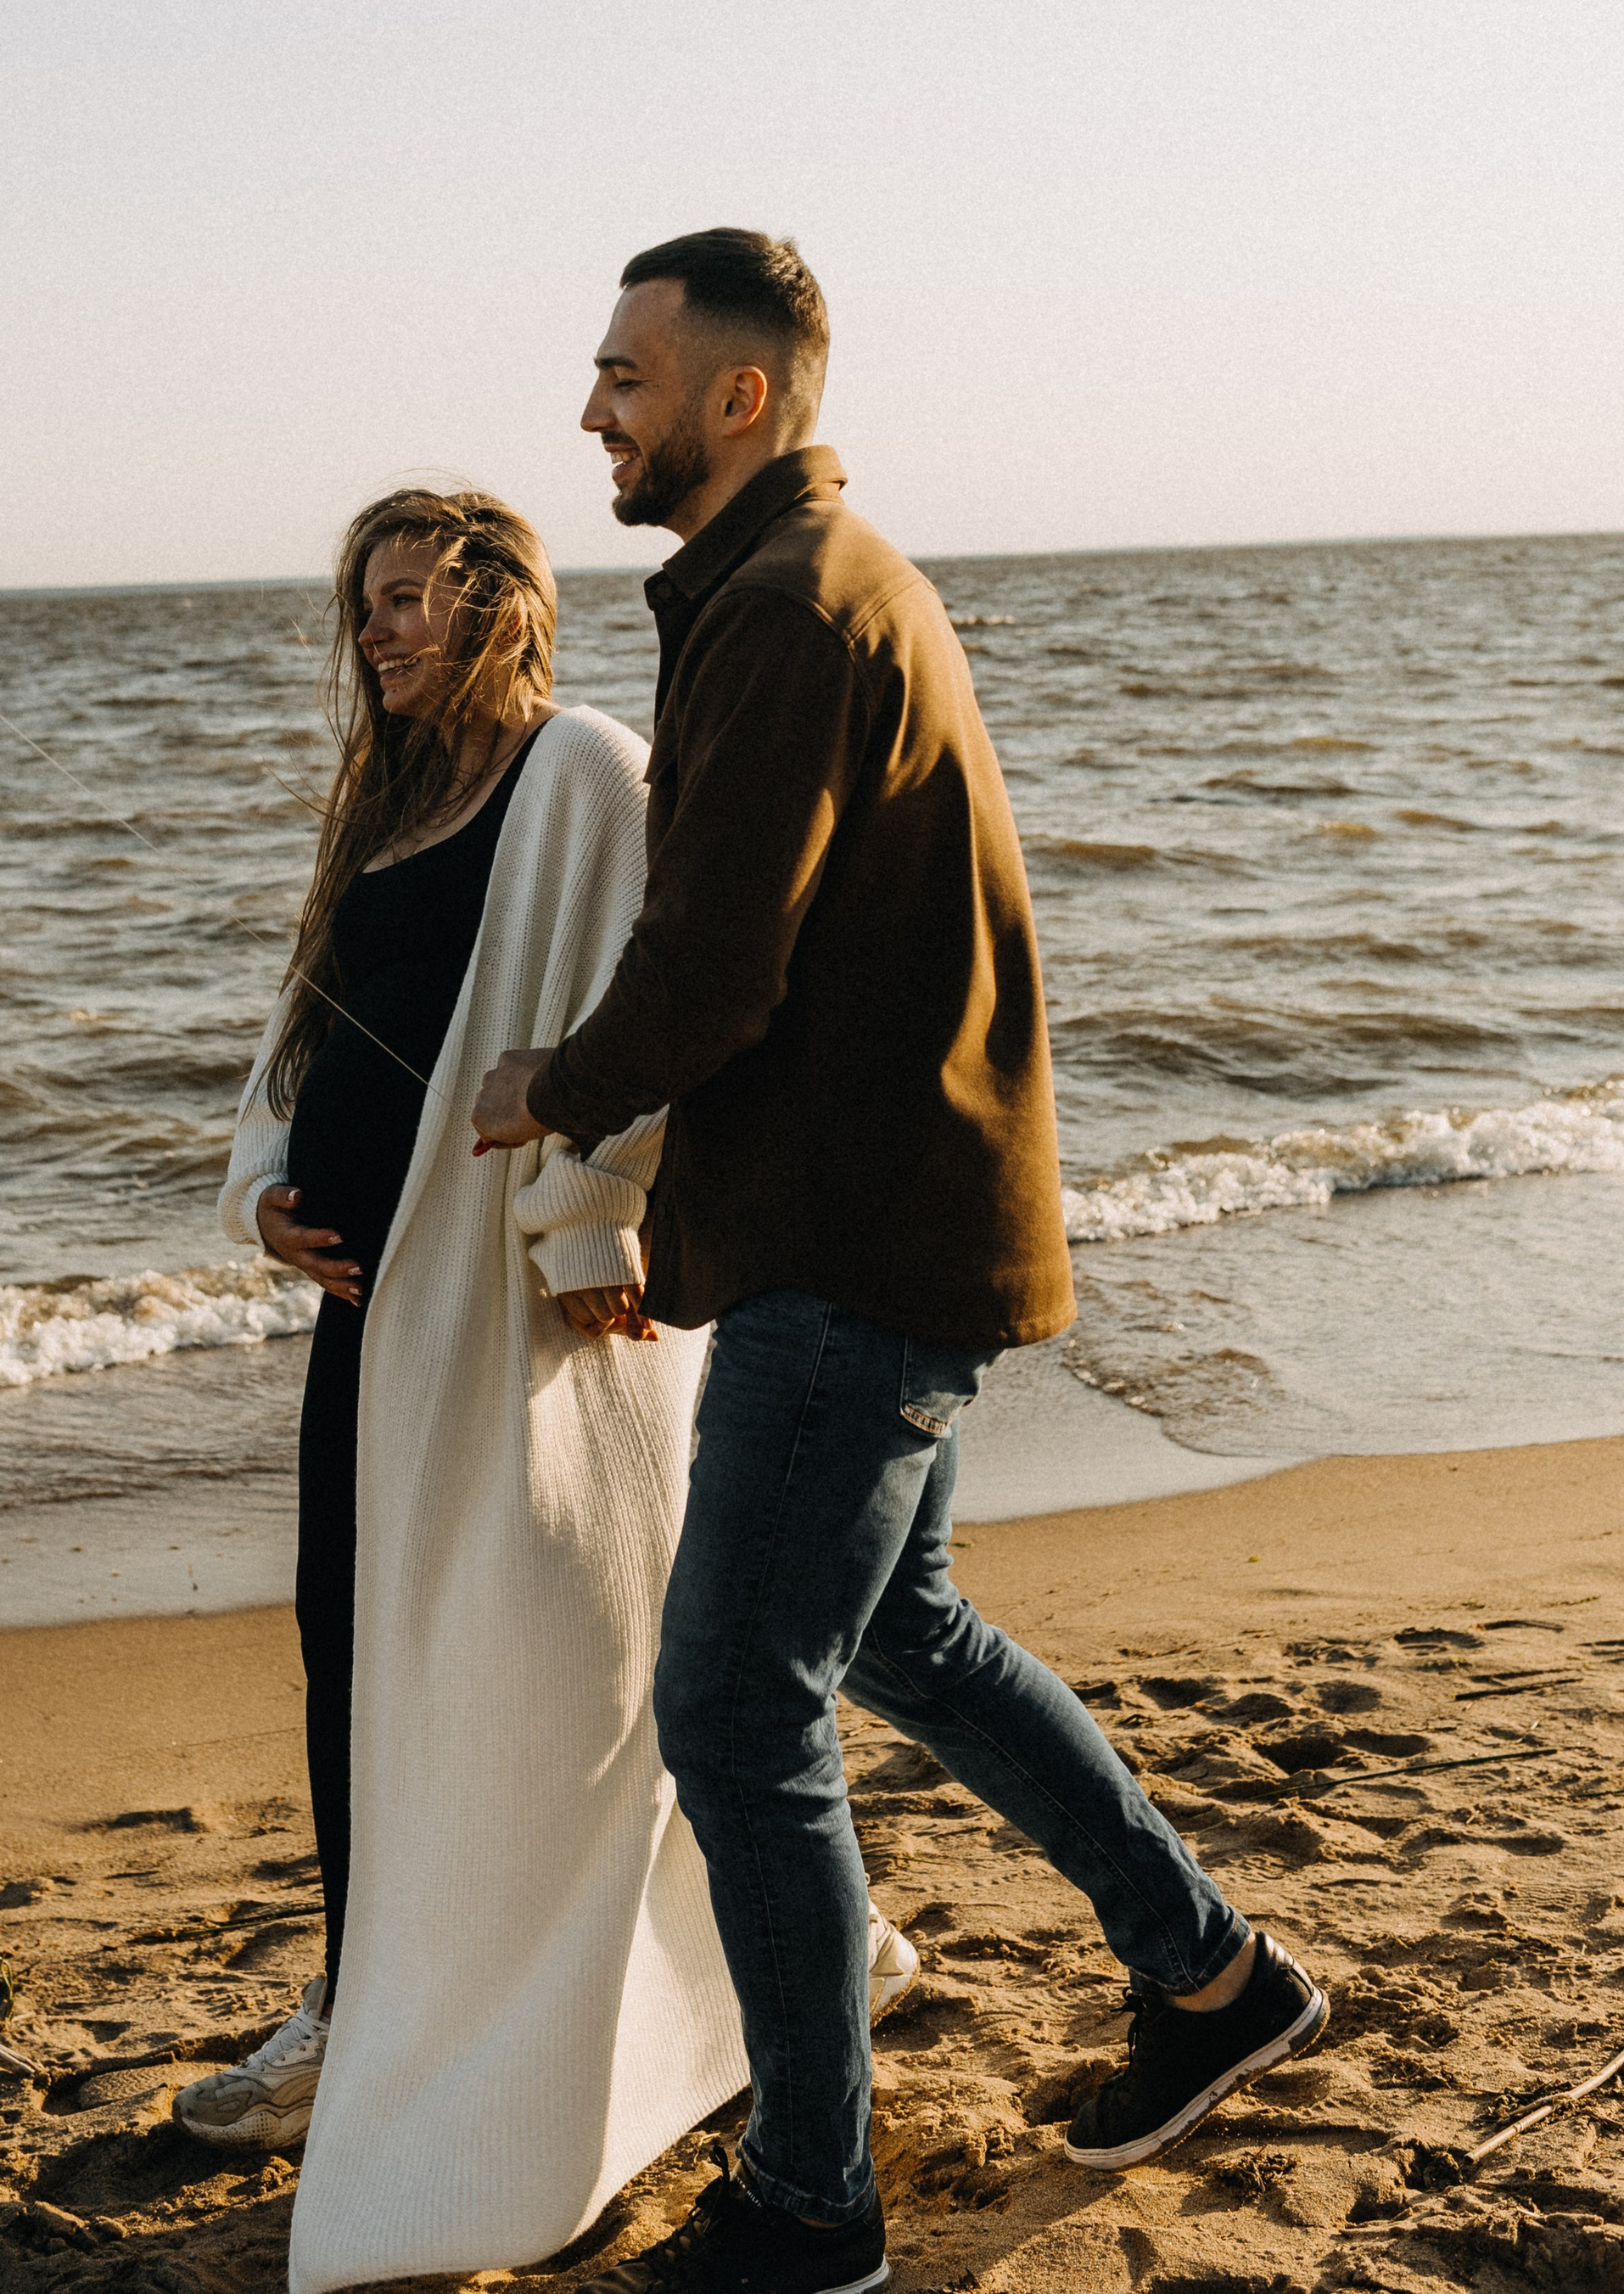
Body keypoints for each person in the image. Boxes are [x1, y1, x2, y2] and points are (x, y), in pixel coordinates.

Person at [474, 234, 1328, 2294]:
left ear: (735, 398)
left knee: (732, 1707)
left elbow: (713, 969)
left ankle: (809, 2210)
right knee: (905, 1635)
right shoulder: (817, 579)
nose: (592, 409)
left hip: (855, 1242)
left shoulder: (783, 607)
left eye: (623, 375)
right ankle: (1212, 1982)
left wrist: (547, 1092)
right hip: (902, 1215)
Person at [202, 485, 850, 2294]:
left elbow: (667, 1014)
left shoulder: (580, 774)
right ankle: (363, 1992)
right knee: (353, 1655)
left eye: (410, 600)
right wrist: (260, 1190)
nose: (380, 632)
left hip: (520, 1323)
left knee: (553, 1664)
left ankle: (657, 2005)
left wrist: (586, 1227)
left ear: (498, 608)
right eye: (366, 606)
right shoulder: (384, 806)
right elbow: (294, 1043)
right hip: (369, 1318)